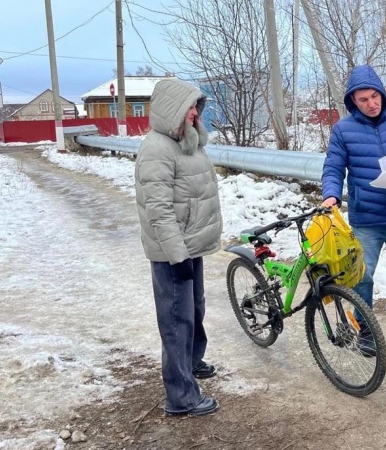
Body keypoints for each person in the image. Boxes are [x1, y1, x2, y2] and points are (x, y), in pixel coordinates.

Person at [321, 64, 386, 354]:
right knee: (363, 277)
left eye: (374, 96)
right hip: (366, 217)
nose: (371, 104)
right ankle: (365, 330)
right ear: (353, 102)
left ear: (381, 93)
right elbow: (333, 167)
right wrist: (330, 195)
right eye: (363, 99)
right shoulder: (343, 130)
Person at [135, 78, 223, 416]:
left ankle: (192, 361)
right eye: (188, 106)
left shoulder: (186, 141)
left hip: (190, 245)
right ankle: (181, 397)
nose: (194, 113)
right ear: (171, 109)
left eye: (195, 106)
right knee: (177, 321)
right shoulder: (157, 149)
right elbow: (158, 211)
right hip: (173, 252)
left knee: (195, 310)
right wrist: (177, 256)